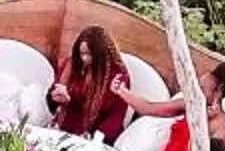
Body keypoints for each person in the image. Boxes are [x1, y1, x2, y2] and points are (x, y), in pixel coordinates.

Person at [49, 25, 181, 144]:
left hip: (99, 135)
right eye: (82, 53)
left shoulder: (118, 76)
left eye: (89, 54)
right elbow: (52, 99)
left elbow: (116, 117)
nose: (84, 59)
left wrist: (95, 140)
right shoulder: (72, 64)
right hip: (66, 127)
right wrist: (56, 99)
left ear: (101, 54)